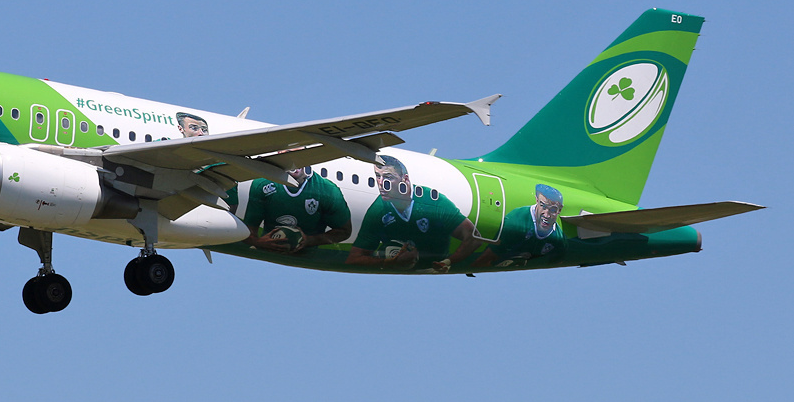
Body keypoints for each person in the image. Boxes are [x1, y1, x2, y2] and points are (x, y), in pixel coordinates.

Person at [345, 155, 480, 272]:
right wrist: (389, 263)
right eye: (378, 177)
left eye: (388, 177)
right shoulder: (379, 209)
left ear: (405, 179)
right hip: (399, 267)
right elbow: (354, 258)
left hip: (433, 268)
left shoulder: (433, 201)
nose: (381, 183)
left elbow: (474, 237)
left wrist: (447, 262)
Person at [242, 165, 351, 255]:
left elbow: (344, 231)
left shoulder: (328, 190)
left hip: (309, 255)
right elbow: (248, 232)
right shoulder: (263, 183)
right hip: (267, 252)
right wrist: (259, 242)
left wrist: (309, 240)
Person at [473, 184, 566, 267]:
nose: (547, 215)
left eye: (553, 210)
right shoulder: (517, 219)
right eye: (543, 206)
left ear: (559, 210)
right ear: (537, 201)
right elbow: (487, 257)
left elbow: (558, 262)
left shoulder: (559, 237)